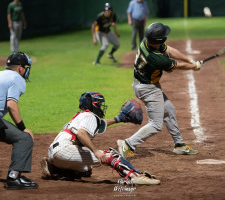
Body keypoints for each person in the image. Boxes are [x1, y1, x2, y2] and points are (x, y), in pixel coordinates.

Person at [117, 22, 202, 158]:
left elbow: (169, 50)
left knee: (169, 110)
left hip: (142, 84)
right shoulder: (156, 58)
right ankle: (128, 144)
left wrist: (190, 60)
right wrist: (193, 67)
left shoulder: (147, 41)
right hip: (148, 89)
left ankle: (179, 144)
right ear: (159, 40)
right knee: (156, 125)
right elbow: (177, 66)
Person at [40, 92, 160, 185]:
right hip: (65, 150)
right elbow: (82, 133)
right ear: (94, 105)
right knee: (111, 156)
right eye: (100, 105)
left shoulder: (81, 116)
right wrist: (96, 151)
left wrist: (118, 119)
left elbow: (99, 124)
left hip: (54, 154)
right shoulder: (90, 116)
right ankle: (135, 176)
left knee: (86, 170)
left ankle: (53, 168)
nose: (102, 108)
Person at [0, 52, 38, 190]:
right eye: (26, 67)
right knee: (24, 139)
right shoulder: (17, 79)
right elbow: (11, 105)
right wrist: (23, 128)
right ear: (20, 68)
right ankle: (14, 177)